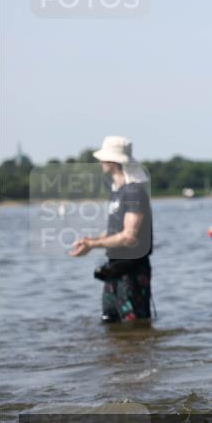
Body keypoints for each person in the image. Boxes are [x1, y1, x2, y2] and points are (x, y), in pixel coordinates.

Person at [69, 136, 154, 324]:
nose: (99, 162)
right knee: (110, 322)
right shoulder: (119, 192)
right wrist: (89, 241)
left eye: (103, 157)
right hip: (115, 269)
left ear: (113, 161)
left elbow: (129, 236)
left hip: (132, 271)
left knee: (134, 326)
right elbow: (115, 231)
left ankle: (140, 354)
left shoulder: (134, 192)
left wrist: (93, 244)